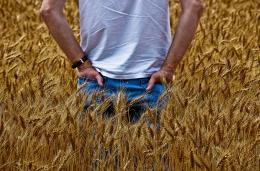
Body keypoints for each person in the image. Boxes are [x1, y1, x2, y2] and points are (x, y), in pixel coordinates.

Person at [40, 0, 204, 122]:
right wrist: (168, 68)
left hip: (96, 82)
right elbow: (194, 6)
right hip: (151, 83)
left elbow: (49, 11)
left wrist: (82, 65)